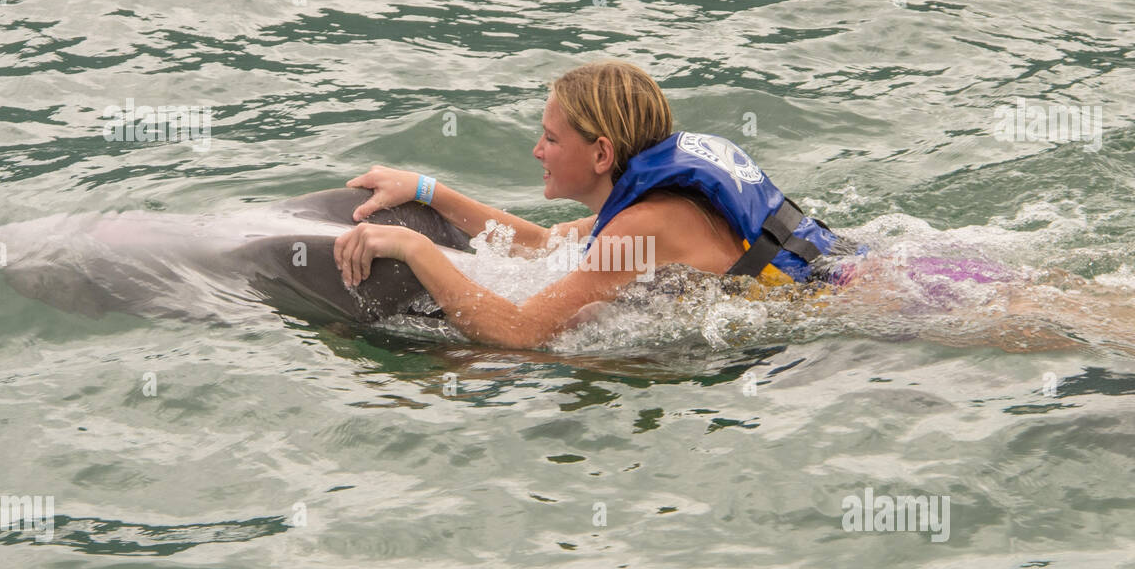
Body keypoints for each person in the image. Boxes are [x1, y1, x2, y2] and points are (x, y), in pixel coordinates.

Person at [332, 60, 858, 349]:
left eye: (552, 140)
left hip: (868, 309)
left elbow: (519, 331)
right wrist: (426, 190)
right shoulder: (650, 211)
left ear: (602, 153)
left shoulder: (643, 226)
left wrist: (414, 246)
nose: (537, 151)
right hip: (850, 275)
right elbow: (540, 244)